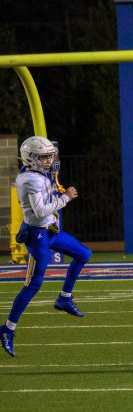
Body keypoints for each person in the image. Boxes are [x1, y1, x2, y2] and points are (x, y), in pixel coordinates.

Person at [1, 136, 90, 357]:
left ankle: (64, 298)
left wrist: (58, 194)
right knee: (33, 284)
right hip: (38, 235)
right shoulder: (30, 179)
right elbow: (40, 211)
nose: (48, 161)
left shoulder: (37, 173)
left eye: (49, 156)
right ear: (30, 158)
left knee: (83, 254)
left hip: (51, 232)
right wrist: (65, 198)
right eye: (43, 157)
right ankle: (8, 329)